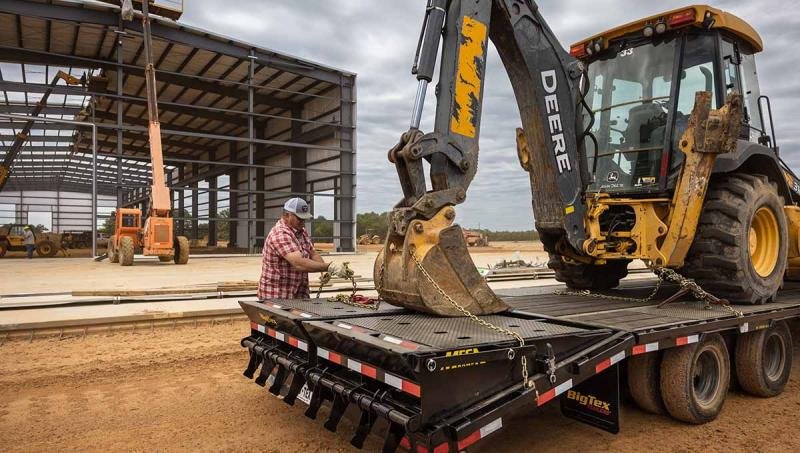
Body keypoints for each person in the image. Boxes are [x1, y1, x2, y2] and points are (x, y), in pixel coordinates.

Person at [258, 198, 337, 300]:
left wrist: (324, 271)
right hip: (277, 295)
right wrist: (329, 267)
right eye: (299, 219)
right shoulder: (280, 234)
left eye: (304, 219)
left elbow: (312, 253)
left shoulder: (301, 231)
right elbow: (299, 263)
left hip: (299, 293)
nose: (303, 222)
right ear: (287, 215)